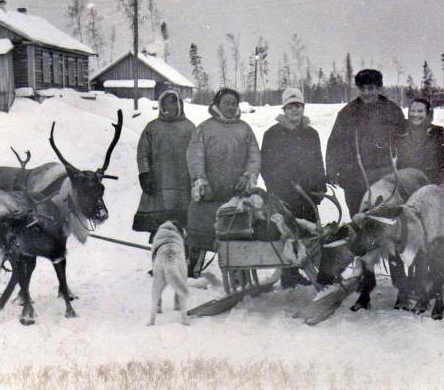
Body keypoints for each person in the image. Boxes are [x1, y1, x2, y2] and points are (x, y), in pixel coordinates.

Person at [186, 88, 261, 276]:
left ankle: (239, 275)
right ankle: (192, 271)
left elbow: (254, 157)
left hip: (236, 193)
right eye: (226, 103)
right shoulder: (204, 128)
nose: (230, 106)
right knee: (200, 230)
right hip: (209, 193)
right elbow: (195, 156)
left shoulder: (244, 129)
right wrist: (201, 181)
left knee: (236, 233)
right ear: (217, 105)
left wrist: (247, 176)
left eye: (234, 103)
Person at [261, 87, 326, 288]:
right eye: (290, 107)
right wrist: (276, 187)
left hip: (308, 194)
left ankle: (305, 269)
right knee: (287, 233)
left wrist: (320, 186)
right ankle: (288, 274)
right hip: (284, 194)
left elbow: (318, 160)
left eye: (298, 106)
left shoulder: (311, 133)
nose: (294, 110)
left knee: (308, 233)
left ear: (303, 108)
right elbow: (266, 166)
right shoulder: (272, 134)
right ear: (284, 109)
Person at [325, 69, 406, 217]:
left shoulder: (392, 111)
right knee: (359, 220)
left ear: (379, 88)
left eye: (371, 88)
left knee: (386, 219)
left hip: (385, 175)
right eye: (362, 89)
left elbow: (405, 140)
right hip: (354, 177)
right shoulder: (347, 113)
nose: (366, 93)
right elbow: (334, 143)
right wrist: (332, 170)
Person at [133, 89, 195, 243]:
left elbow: (197, 155)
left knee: (183, 227)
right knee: (159, 228)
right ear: (160, 105)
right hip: (158, 183)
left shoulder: (190, 128)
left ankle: (184, 258)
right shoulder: (152, 127)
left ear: (179, 105)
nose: (168, 107)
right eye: (164, 103)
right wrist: (145, 173)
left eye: (172, 103)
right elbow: (142, 153)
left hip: (183, 184)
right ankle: (159, 253)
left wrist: (196, 178)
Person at [396, 98, 444, 184]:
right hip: (404, 185)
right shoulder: (400, 133)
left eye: (420, 111)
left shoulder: (437, 133)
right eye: (412, 111)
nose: (415, 114)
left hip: (430, 185)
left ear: (427, 114)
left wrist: (435, 183)